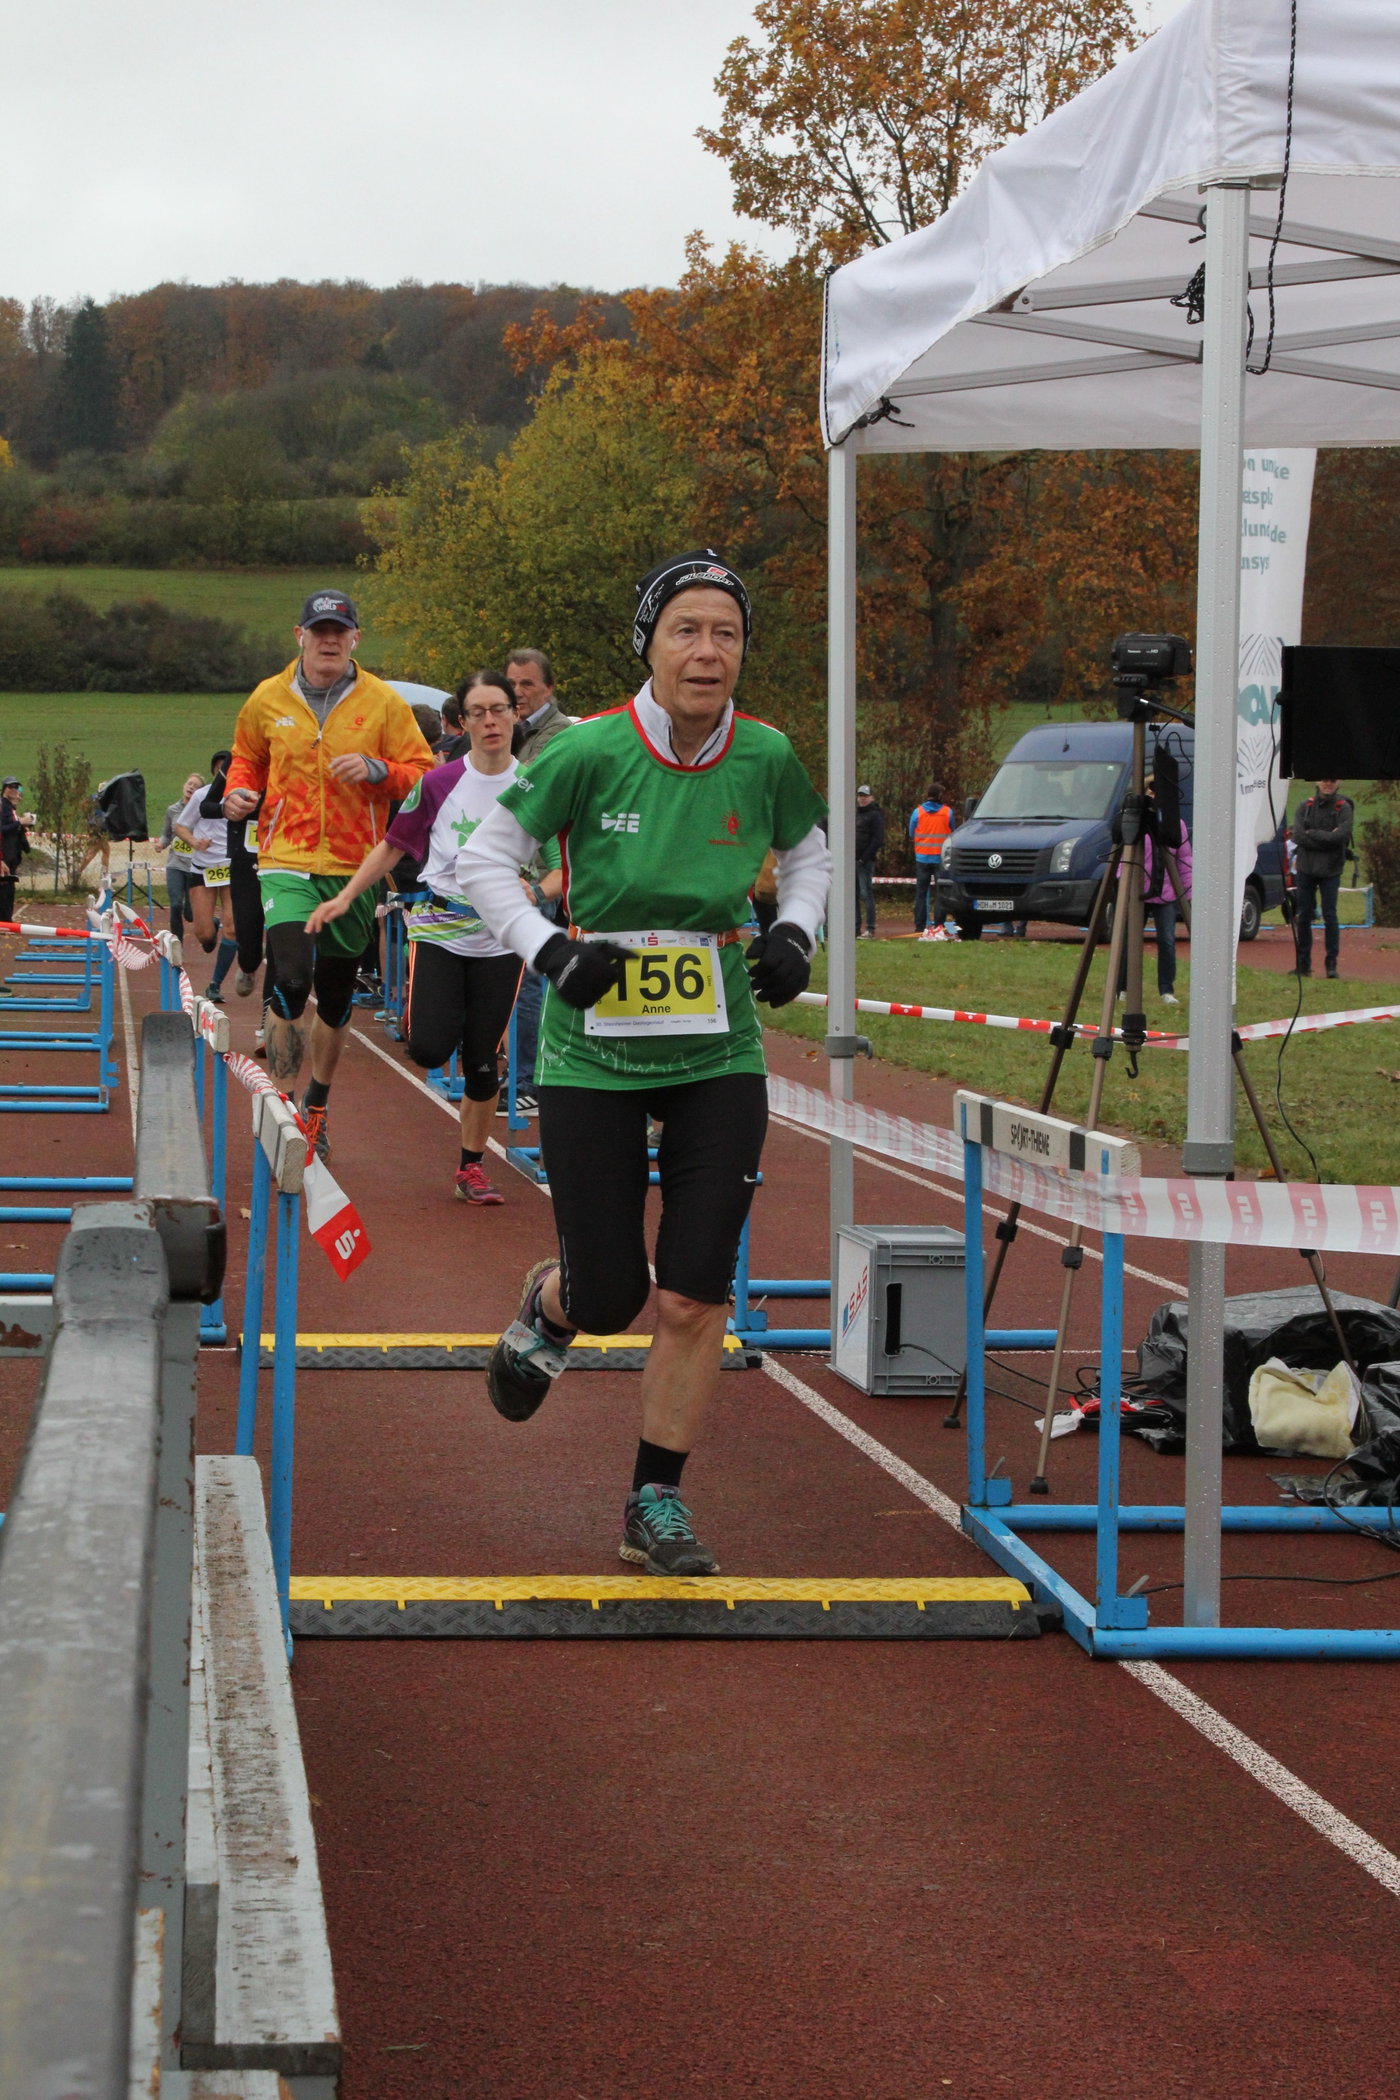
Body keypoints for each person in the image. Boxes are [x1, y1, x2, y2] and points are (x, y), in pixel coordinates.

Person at [458, 548, 830, 1576]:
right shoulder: (588, 750)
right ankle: (551, 1304)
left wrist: (794, 930)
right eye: (686, 631)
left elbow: (811, 854)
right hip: (592, 1052)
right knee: (612, 1292)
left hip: (717, 1049)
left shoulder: (765, 754)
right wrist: (549, 952)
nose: (708, 652)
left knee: (695, 1292)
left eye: (726, 634)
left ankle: (653, 1501)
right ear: (649, 645)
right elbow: (483, 860)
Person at [306, 671, 550, 1203]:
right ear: (464, 721)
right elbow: (393, 846)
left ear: (515, 715)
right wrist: (346, 896)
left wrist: (537, 889)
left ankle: (470, 1169)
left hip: (500, 938)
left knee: (482, 1062)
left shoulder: (537, 786)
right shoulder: (439, 783)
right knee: (428, 1047)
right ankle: (444, 1017)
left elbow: (561, 866)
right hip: (441, 930)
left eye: (499, 710)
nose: (490, 721)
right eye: (478, 713)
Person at [222, 588, 434, 1157]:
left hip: (354, 866)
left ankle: (317, 1098)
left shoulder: (383, 702)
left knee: (337, 996)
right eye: (320, 632)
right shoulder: (267, 697)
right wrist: (239, 791)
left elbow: (424, 774)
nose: (329, 641)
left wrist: (376, 769)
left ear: (355, 639)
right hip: (285, 857)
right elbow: (247, 758)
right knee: (292, 980)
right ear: (300, 637)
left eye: (340, 632)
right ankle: (282, 1107)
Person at [173, 751, 240, 999]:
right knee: (204, 935)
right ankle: (211, 926)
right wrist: (195, 842)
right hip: (204, 868)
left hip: (232, 867)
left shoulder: (242, 797)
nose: (225, 774)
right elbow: (180, 826)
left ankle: (215, 984)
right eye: (221, 770)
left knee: (232, 929)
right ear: (214, 772)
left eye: (229, 769)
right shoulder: (202, 796)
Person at [1117, 788, 1191, 1006]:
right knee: (1129, 940)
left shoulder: (1175, 825)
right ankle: (1122, 987)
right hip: (1137, 892)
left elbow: (1185, 858)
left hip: (1165, 892)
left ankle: (1166, 990)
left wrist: (1187, 892)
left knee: (1167, 940)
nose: (1153, 795)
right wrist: (1123, 882)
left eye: (1156, 791)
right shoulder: (1135, 823)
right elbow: (1124, 856)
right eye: (1149, 791)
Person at [1293, 777, 1353, 980]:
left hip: (1331, 871)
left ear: (1339, 783)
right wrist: (1327, 838)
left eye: (1332, 780)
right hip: (1306, 869)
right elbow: (1298, 836)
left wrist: (1313, 834)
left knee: (1330, 915)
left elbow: (1341, 837)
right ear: (1317, 782)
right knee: (1304, 915)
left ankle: (1331, 965)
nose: (1328, 784)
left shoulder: (1344, 808)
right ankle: (1303, 965)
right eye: (1325, 780)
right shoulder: (1305, 806)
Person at [507, 649, 573, 763]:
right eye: (511, 684)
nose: (516, 692)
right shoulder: (509, 727)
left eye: (526, 684)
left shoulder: (559, 729)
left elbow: (533, 772)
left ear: (548, 688)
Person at [159, 772, 203, 938]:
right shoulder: (172, 810)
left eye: (196, 786)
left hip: (193, 866)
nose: (191, 787)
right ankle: (176, 944)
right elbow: (166, 835)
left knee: (190, 914)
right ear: (184, 786)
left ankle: (212, 922)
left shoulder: (201, 812)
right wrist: (161, 844)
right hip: (175, 865)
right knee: (176, 905)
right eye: (189, 783)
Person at [908, 783, 954, 939]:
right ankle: (939, 925)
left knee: (921, 894)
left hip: (922, 858)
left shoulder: (918, 812)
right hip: (940, 859)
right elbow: (953, 833)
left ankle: (919, 926)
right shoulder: (947, 812)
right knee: (940, 894)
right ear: (940, 795)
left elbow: (911, 833)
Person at [855, 783, 885, 938]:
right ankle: (854, 927)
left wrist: (863, 859)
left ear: (871, 798)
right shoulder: (854, 814)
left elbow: (877, 840)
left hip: (865, 862)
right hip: (852, 861)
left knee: (866, 894)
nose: (862, 799)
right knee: (853, 895)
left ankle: (870, 928)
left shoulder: (875, 816)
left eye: (865, 796)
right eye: (860, 796)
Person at [0, 778, 30, 922]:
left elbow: (11, 826)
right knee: (5, 890)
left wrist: (21, 826)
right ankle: (5, 921)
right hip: (5, 854)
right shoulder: (3, 806)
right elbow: (2, 829)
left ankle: (6, 920)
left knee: (9, 889)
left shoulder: (10, 807)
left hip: (12, 854)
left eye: (17, 787)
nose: (15, 790)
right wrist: (19, 823)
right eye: (11, 787)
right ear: (5, 789)